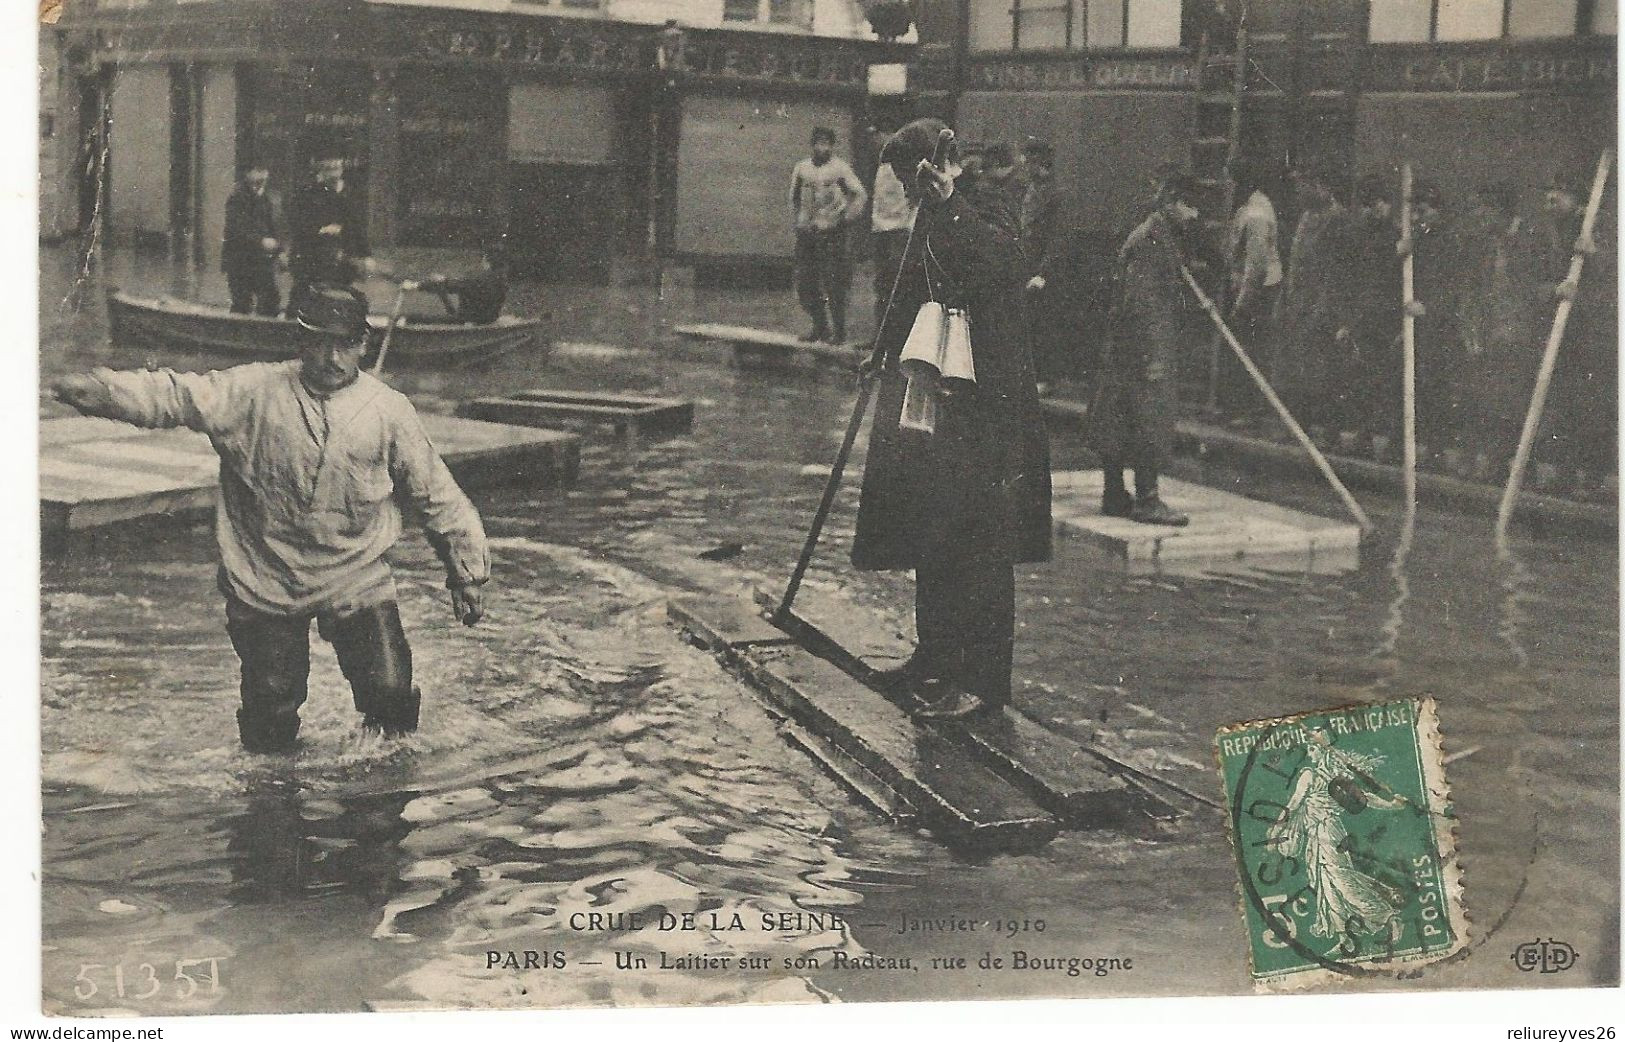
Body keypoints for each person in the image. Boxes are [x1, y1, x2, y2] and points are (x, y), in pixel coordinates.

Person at [52, 287, 490, 753]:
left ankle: (384, 791)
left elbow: (436, 494)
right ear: (301, 342)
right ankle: (270, 802)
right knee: (271, 712)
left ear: (363, 344)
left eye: (344, 344)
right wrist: (101, 391)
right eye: (319, 342)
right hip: (265, 573)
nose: (331, 357)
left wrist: (466, 575)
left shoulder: (389, 411)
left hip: (356, 573)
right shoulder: (254, 391)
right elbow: (178, 395)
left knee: (390, 695)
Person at [852, 118, 1052, 721]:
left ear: (928, 168)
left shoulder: (987, 202)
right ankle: (934, 658)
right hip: (943, 395)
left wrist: (951, 204)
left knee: (983, 537)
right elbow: (909, 293)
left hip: (992, 402)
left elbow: (1003, 266)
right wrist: (880, 352)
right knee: (932, 526)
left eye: (908, 182)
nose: (907, 196)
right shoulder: (932, 215)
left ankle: (985, 683)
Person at [1085, 170, 1202, 527]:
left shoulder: (1157, 235)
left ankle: (1114, 494)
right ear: (1170, 203)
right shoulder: (1153, 239)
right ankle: (1147, 499)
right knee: (1148, 419)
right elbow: (1143, 301)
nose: (1194, 215)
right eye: (1189, 206)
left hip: (1126, 345)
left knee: (1118, 416)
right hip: (1143, 345)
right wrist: (1152, 355)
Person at [1275, 164, 1348, 442]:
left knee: (1324, 373)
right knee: (1296, 370)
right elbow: (1295, 262)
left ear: (1321, 185)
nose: (1298, 192)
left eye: (1303, 186)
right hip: (1298, 304)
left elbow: (1338, 271)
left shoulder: (1337, 218)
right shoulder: (1306, 217)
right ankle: (1299, 427)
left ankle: (1331, 433)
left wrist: (1324, 308)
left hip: (1321, 307)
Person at [1336, 173, 1402, 459]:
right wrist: (1346, 321)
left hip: (1387, 321)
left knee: (1384, 381)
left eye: (1385, 202)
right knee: (1357, 378)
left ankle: (1382, 440)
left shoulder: (1399, 238)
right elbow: (1347, 281)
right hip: (1361, 319)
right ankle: (1358, 436)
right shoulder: (1355, 236)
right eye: (1373, 203)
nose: (1380, 208)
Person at [791, 127, 866, 344]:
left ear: (832, 146)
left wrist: (845, 218)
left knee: (834, 283)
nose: (821, 147)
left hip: (833, 233)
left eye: (826, 143)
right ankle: (820, 327)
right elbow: (793, 197)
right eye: (818, 143)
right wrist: (798, 222)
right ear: (812, 144)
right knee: (806, 283)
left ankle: (839, 333)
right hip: (808, 233)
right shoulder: (802, 168)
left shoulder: (840, 169)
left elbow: (859, 194)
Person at [1223, 160, 1284, 416]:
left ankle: (1251, 412)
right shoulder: (1248, 206)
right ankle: (1242, 410)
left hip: (1259, 292)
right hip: (1249, 288)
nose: (1226, 186)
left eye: (1229, 181)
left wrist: (1242, 304)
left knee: (1252, 354)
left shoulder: (1256, 213)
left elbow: (1256, 266)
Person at [287, 155, 373, 319]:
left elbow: (358, 226)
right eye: (328, 168)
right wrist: (320, 230)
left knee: (339, 297)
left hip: (341, 259)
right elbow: (297, 223)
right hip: (311, 257)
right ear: (320, 171)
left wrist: (366, 255)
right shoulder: (307, 194)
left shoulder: (350, 194)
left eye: (337, 167)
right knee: (304, 296)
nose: (334, 172)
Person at [869, 129, 918, 325]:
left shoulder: (906, 167)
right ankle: (880, 334)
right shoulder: (881, 169)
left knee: (898, 284)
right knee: (881, 285)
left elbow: (914, 200)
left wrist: (909, 228)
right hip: (881, 231)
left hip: (900, 231)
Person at [221, 165, 283, 317]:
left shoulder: (267, 199)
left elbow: (273, 228)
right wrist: (261, 241)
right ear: (247, 174)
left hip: (261, 259)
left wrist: (279, 252)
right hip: (240, 259)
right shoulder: (237, 198)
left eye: (263, 171)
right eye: (255, 172)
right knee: (242, 301)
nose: (260, 175)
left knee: (270, 298)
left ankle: (267, 330)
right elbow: (237, 229)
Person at [409, 246, 510, 325]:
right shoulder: (501, 278)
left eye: (483, 257)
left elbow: (456, 286)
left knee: (411, 317)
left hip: (470, 319)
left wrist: (416, 285)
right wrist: (445, 280)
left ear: (487, 260)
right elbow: (462, 284)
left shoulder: (482, 279)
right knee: (442, 289)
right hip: (489, 318)